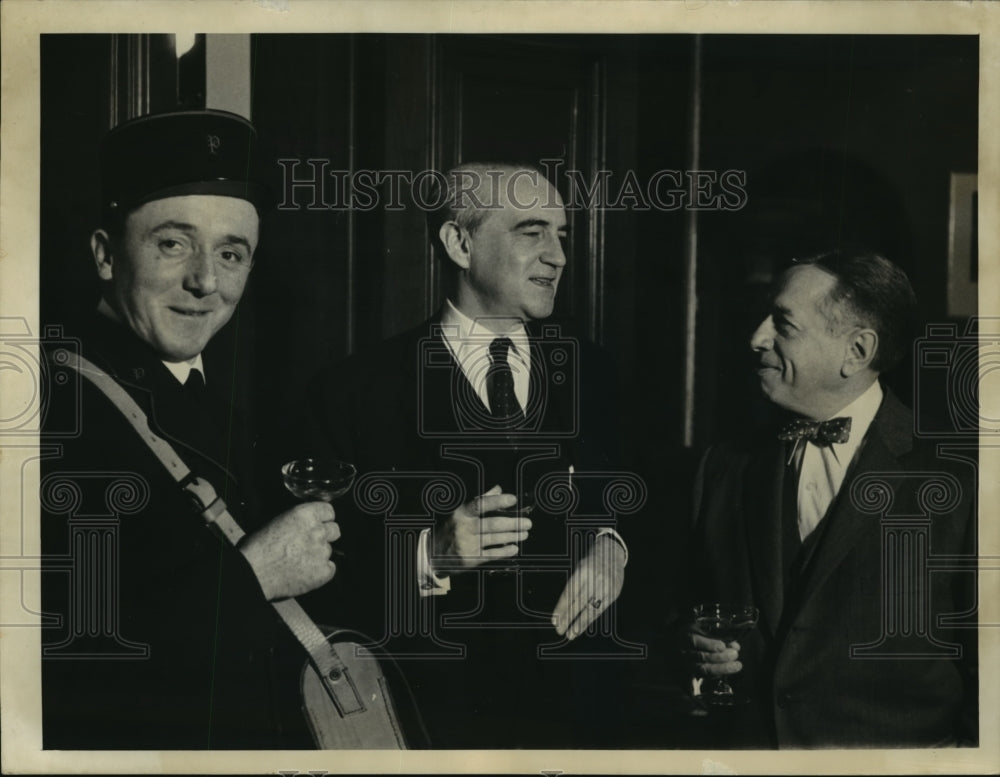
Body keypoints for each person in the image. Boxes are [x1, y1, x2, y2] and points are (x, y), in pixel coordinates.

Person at [277, 163, 637, 748]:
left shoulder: (594, 373)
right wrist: (430, 555)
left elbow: (643, 505)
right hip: (434, 725)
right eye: (531, 232)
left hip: (582, 724)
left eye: (562, 236)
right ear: (459, 243)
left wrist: (611, 546)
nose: (558, 257)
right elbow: (315, 582)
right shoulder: (352, 392)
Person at [40, 110, 340, 749]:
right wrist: (254, 574)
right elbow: (57, 669)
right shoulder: (48, 412)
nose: (206, 281)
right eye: (173, 243)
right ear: (104, 254)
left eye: (232, 254)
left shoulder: (221, 404)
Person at [674, 248, 977, 747]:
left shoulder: (962, 477)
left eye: (783, 325)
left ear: (856, 352)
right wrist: (691, 646)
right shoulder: (725, 466)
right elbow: (682, 610)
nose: (757, 338)